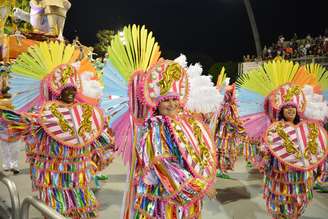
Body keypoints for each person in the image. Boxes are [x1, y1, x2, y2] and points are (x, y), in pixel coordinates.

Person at [0, 42, 115, 218]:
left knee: (83, 211)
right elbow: (21, 125)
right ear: (56, 90)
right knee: (55, 211)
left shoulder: (86, 111)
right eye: (65, 89)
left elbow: (101, 141)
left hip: (80, 176)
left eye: (72, 89)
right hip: (52, 177)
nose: (70, 93)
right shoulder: (43, 114)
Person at [237, 60, 328, 219]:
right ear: (281, 111)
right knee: (280, 208)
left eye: (293, 108)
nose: (291, 111)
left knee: (297, 207)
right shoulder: (273, 131)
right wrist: (264, 152)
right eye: (287, 108)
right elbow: (263, 158)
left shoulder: (306, 129)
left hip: (300, 178)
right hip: (279, 178)